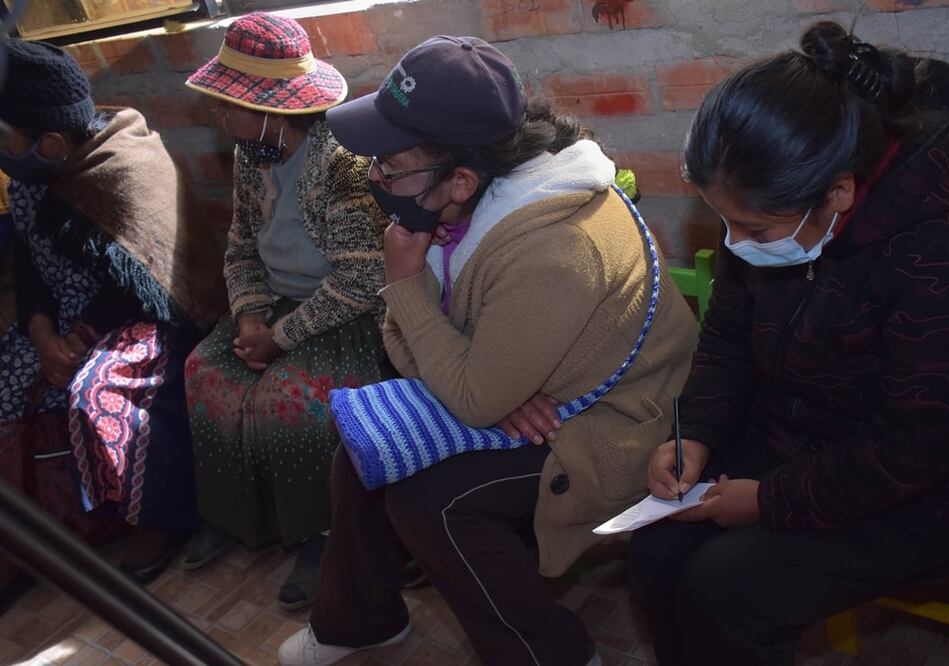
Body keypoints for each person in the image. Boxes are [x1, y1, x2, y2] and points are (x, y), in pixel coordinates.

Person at [276, 35, 699, 666]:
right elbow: (409, 352)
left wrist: (407, 291)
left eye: (390, 166)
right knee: (361, 454)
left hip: (621, 423)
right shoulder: (464, 209)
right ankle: (358, 621)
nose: (375, 179)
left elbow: (453, 373)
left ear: (462, 178)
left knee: (434, 503)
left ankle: (556, 655)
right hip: (541, 392)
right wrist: (485, 390)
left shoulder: (552, 248)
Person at [628, 21, 949, 666]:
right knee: (656, 544)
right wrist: (692, 434)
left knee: (726, 590)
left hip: (927, 487)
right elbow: (725, 341)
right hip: (797, 431)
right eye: (726, 222)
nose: (737, 244)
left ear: (839, 191)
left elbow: (913, 449)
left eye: (754, 227)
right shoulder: (780, 206)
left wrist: (770, 502)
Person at [182, 12, 391, 611]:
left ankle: (323, 534)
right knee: (208, 373)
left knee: (289, 400)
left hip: (342, 312)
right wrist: (250, 317)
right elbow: (241, 245)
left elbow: (362, 278)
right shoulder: (252, 155)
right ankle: (234, 515)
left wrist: (280, 336)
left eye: (229, 103)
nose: (220, 115)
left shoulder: (342, 161)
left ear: (275, 109)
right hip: (272, 305)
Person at [0, 40, 225, 589]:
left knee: (99, 390)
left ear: (51, 142)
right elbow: (28, 263)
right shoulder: (32, 182)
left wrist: (76, 338)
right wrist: (41, 330)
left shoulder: (122, 164)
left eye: (6, 140)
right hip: (59, 325)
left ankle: (158, 516)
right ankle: (35, 529)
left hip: (144, 314)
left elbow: (144, 280)